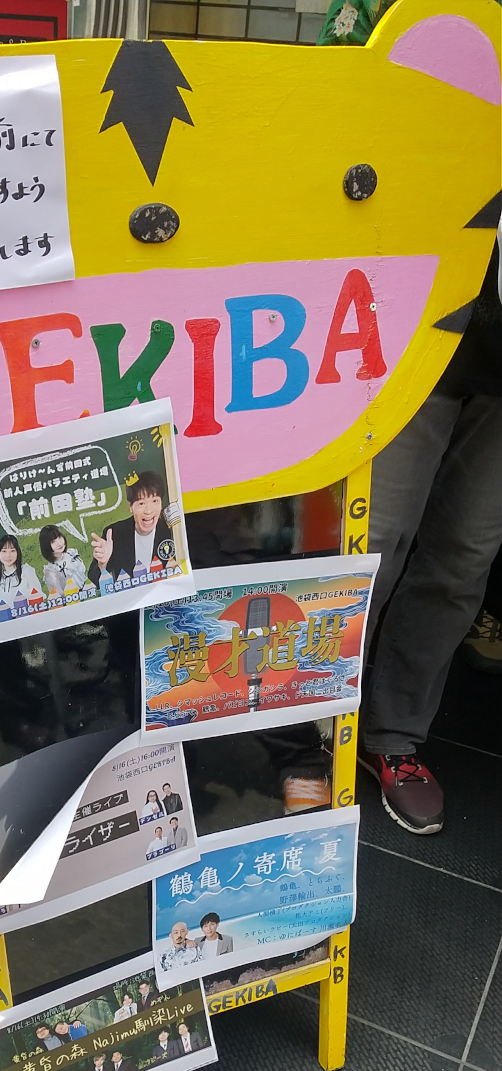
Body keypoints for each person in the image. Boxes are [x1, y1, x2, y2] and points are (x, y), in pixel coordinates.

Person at [316, 3, 502, 836]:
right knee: (370, 546)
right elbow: (342, 98)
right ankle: (314, 730)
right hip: (403, 326)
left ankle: (393, 736)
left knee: (463, 555)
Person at [88, 471, 174, 585]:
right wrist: (102, 563)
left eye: (155, 501)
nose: (148, 511)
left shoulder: (171, 530)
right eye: (141, 503)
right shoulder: (115, 534)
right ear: (131, 507)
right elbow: (95, 580)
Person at [0, 534, 41, 605]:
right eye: (4, 551)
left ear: (17, 552)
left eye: (12, 551)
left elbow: (37, 596)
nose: (8, 555)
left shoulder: (26, 571)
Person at [39, 524, 88, 595]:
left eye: (60, 537)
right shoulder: (51, 570)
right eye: (53, 542)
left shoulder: (71, 554)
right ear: (46, 546)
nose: (59, 543)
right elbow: (59, 595)